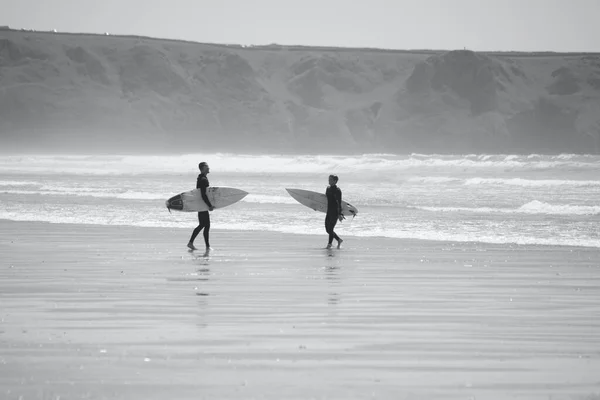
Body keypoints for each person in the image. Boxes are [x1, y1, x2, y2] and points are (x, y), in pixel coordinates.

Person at [188, 162, 214, 252]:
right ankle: (193, 243)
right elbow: (203, 194)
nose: (209, 168)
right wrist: (209, 205)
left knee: (205, 225)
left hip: (201, 204)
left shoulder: (201, 178)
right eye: (207, 167)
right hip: (202, 205)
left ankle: (206, 246)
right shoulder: (203, 179)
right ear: (203, 168)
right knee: (204, 225)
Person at [325, 174, 345, 249]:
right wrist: (316, 207)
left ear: (335, 181)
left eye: (330, 179)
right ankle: (339, 240)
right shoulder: (328, 188)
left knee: (330, 229)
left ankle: (329, 244)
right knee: (327, 229)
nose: (329, 181)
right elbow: (325, 200)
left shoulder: (337, 190)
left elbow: (339, 203)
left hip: (335, 212)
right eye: (328, 179)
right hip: (328, 211)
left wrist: (340, 214)